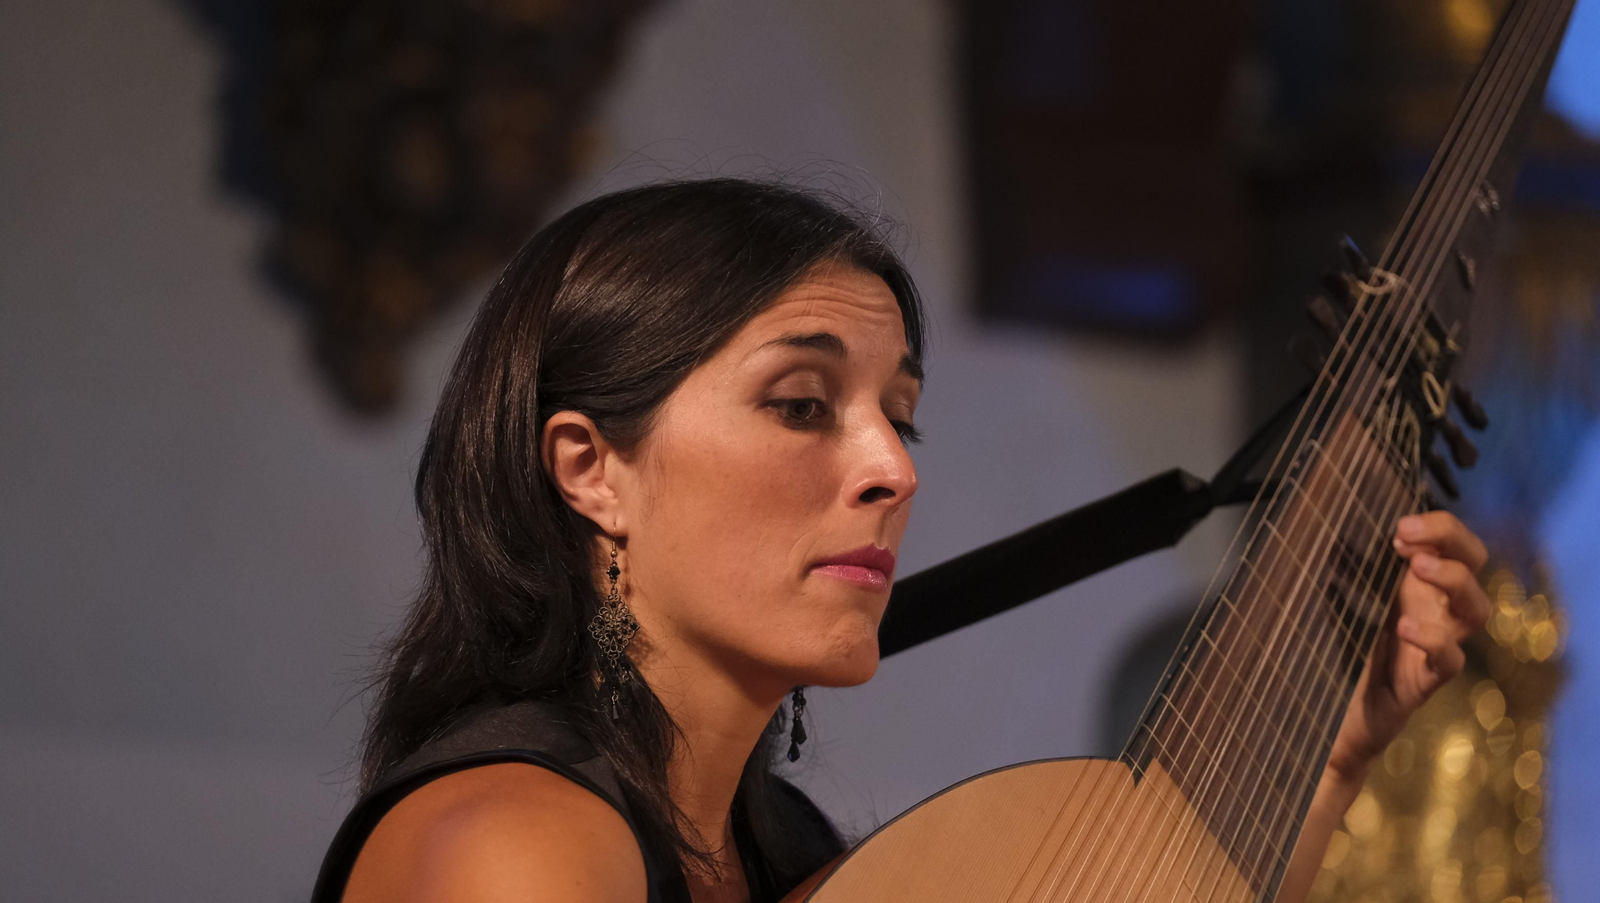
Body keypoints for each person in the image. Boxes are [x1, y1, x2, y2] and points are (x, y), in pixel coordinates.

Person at [309, 178, 1492, 903]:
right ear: (590, 470)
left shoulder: (784, 852)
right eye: (801, 405)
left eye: (902, 417)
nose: (893, 467)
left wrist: (1325, 762)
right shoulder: (514, 845)